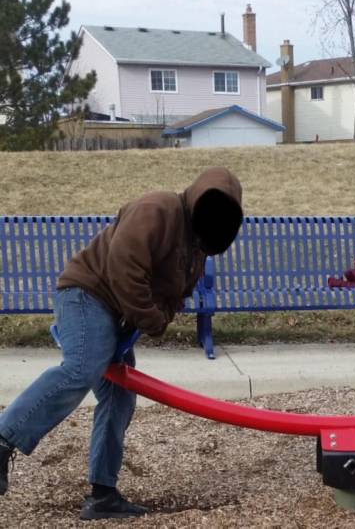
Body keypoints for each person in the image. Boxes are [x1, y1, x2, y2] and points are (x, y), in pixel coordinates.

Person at [0, 167, 243, 520]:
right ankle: (5, 436)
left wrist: (158, 317)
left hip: (118, 317)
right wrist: (150, 317)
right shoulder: (159, 208)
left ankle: (103, 495)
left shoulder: (196, 247)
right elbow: (123, 265)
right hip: (86, 295)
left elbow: (176, 296)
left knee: (119, 398)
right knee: (82, 366)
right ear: (197, 199)